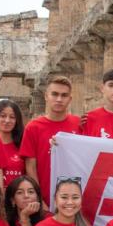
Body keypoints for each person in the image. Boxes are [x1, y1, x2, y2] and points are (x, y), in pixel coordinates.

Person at [19, 76, 80, 207]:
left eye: (64, 95)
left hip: (73, 199)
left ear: (70, 99)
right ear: (46, 96)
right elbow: (30, 167)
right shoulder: (33, 127)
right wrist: (39, 199)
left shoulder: (79, 124)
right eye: (55, 94)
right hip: (45, 198)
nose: (59, 99)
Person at [0, 99, 25, 189]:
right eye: (3, 116)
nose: (7, 120)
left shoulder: (23, 145)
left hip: (17, 199)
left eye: (12, 117)